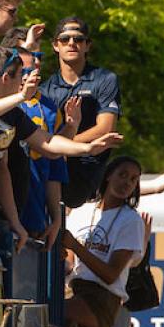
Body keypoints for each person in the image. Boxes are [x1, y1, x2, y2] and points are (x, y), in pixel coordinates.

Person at [0, 45, 122, 264]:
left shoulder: (11, 115)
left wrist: (88, 148)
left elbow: (46, 143)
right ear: (6, 77)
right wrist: (21, 98)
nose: (23, 83)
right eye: (21, 76)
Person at [61, 156, 147, 327]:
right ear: (108, 176)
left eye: (133, 179)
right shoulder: (82, 210)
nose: (127, 182)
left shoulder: (131, 220)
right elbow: (69, 260)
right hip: (74, 289)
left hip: (102, 300)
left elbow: (111, 275)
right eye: (122, 175)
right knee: (39, 309)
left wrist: (75, 245)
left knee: (55, 312)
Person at [41, 17, 122, 209]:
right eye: (64, 39)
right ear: (55, 45)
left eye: (78, 39)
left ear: (87, 45)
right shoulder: (45, 89)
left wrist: (61, 145)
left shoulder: (105, 79)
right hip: (55, 174)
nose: (71, 43)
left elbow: (105, 128)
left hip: (91, 177)